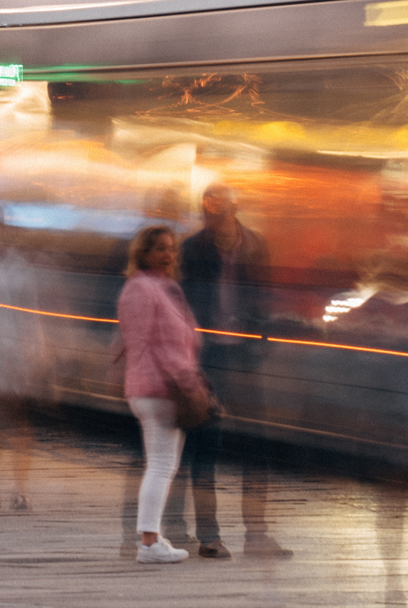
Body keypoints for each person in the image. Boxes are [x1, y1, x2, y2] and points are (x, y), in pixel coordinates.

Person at [177, 184, 288, 559]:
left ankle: (257, 534)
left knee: (256, 445)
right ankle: (210, 536)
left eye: (221, 213)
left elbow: (264, 295)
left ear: (233, 212)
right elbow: (184, 304)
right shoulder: (193, 249)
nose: (215, 221)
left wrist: (263, 339)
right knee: (205, 445)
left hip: (244, 355)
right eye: (210, 213)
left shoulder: (255, 245)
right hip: (207, 357)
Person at [113, 225, 209, 565]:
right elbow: (154, 343)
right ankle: (149, 542)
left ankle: (151, 538)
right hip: (159, 387)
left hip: (155, 386)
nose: (167, 254)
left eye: (170, 248)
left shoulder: (161, 287)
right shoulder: (143, 288)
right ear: (143, 253)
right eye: (158, 248)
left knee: (161, 464)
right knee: (161, 465)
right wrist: (187, 381)